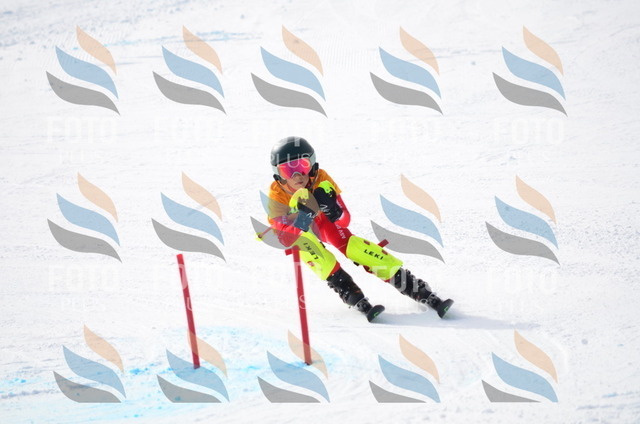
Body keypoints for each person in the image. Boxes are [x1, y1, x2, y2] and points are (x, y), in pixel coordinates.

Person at [265, 136, 453, 321]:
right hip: (299, 231)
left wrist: (333, 211)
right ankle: (351, 293)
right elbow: (285, 239)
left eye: (302, 166)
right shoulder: (277, 195)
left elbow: (345, 221)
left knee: (357, 248)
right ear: (278, 174)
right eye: (287, 170)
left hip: (323, 222)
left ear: (312, 164)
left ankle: (417, 289)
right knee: (313, 252)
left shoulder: (321, 179)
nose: (297, 175)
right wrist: (301, 220)